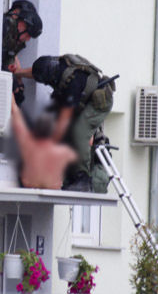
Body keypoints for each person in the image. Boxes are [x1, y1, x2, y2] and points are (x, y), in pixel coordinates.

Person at [12, 54, 115, 192]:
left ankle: (82, 179)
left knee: (79, 132)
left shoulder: (72, 85)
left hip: (99, 102)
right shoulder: (59, 65)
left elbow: (64, 121)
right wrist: (18, 72)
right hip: (84, 97)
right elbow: (36, 72)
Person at [9, 95, 78, 190]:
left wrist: (10, 91)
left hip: (31, 186)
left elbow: (15, 111)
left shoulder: (28, 144)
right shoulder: (63, 152)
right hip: (52, 188)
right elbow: (64, 121)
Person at [1, 0, 42, 106]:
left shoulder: (14, 37)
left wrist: (19, 82)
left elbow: (12, 56)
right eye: (27, 33)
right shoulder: (3, 27)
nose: (27, 39)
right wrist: (10, 80)